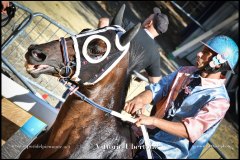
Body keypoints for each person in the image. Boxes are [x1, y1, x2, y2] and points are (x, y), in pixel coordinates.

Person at [124, 35, 239, 159]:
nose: (199, 54)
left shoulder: (219, 101)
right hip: (146, 132)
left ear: (218, 64)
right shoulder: (185, 71)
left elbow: (189, 130)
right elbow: (159, 87)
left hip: (169, 151)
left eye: (205, 52)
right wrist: (140, 99)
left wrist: (153, 120)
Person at [98, 7, 169, 84]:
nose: (146, 19)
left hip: (99, 69)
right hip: (115, 85)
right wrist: (145, 75)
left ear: (149, 23)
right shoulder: (155, 55)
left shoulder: (129, 26)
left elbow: (103, 21)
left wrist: (100, 45)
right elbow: (155, 82)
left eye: (148, 17)